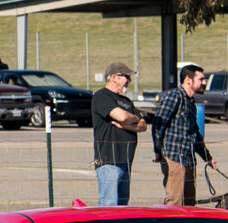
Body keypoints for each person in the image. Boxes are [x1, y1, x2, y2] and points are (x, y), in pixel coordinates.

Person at [147, 63, 213, 205]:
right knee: (175, 202)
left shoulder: (190, 102)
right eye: (201, 79)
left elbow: (194, 132)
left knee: (189, 204)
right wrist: (157, 150)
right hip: (174, 157)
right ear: (188, 80)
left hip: (188, 158)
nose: (204, 82)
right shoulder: (174, 96)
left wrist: (207, 157)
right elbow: (158, 124)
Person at [90, 61, 146, 207]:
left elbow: (143, 125)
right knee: (108, 206)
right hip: (109, 161)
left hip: (126, 159)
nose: (129, 80)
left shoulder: (126, 101)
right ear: (113, 77)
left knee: (122, 207)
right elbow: (121, 117)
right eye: (125, 76)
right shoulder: (102, 96)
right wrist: (132, 119)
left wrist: (131, 122)